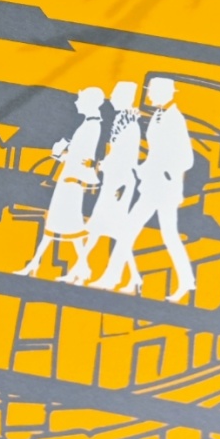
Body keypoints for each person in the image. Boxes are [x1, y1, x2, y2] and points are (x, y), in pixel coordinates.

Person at [91, 76, 197, 302]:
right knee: (130, 230)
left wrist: (166, 173)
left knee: (168, 235)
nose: (148, 95)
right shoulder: (159, 115)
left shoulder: (174, 119)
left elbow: (186, 158)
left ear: (164, 93)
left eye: (151, 91)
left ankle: (186, 281)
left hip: (164, 188)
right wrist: (143, 169)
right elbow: (156, 153)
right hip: (152, 186)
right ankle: (112, 277)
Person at [17, 86, 104, 280]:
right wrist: (61, 154)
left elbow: (83, 159)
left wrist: (60, 154)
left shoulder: (91, 127)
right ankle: (79, 267)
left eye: (80, 99)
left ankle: (35, 265)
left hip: (71, 180)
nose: (76, 103)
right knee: (63, 223)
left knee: (62, 223)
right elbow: (78, 157)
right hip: (69, 178)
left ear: (89, 103)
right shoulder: (87, 124)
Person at [64, 80, 142, 288]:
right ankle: (82, 270)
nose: (112, 98)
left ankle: (84, 270)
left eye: (115, 95)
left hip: (119, 184)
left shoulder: (130, 126)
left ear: (124, 98)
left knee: (107, 229)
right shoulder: (122, 121)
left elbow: (126, 158)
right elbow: (116, 154)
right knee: (101, 228)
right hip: (114, 180)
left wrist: (100, 165)